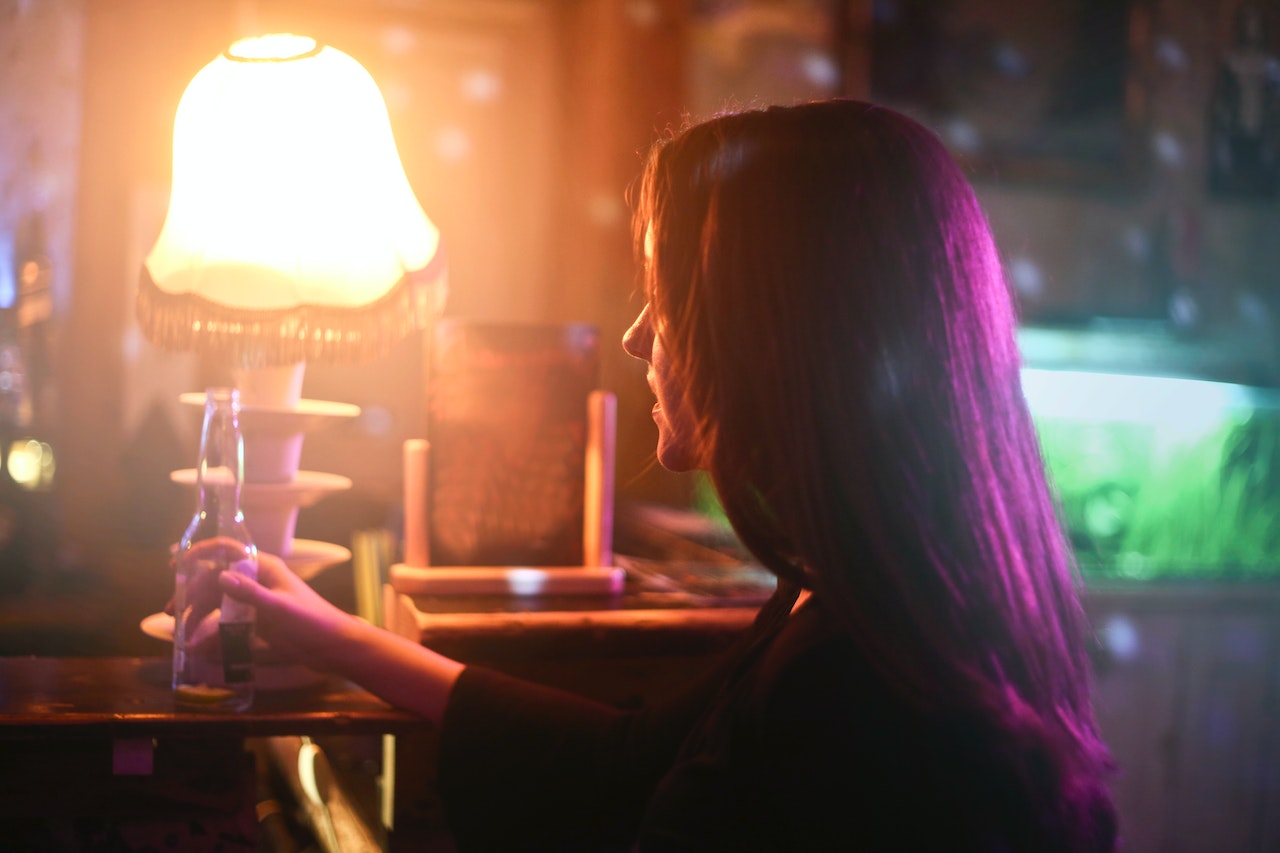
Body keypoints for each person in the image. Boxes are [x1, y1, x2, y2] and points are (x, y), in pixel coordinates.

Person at [217, 99, 1118, 851]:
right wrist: (331, 635)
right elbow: (628, 759)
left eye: (667, 295)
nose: (638, 337)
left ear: (770, 334)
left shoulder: (854, 694)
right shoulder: (865, 604)